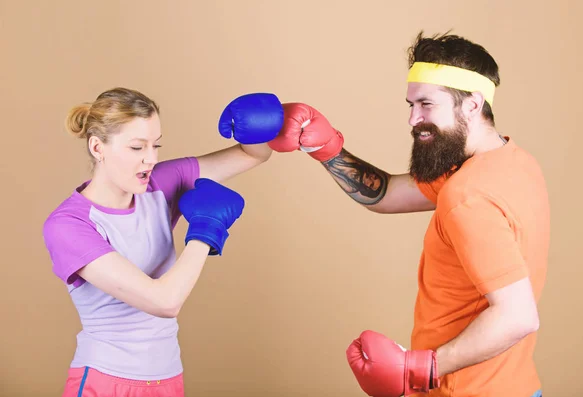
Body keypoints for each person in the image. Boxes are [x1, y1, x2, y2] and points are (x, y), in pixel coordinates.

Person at [268, 31, 549, 397]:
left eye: (427, 104)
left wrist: (417, 370)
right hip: (516, 386)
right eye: (411, 105)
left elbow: (518, 315)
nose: (413, 119)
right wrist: (326, 147)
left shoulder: (467, 195)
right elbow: (384, 193)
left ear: (472, 105)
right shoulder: (511, 162)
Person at [42, 87, 284, 397]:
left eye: (155, 145)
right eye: (136, 147)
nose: (151, 159)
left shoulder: (159, 184)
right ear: (97, 147)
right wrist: (206, 230)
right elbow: (164, 302)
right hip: (106, 381)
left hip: (168, 379)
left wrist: (260, 126)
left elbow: (254, 154)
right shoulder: (68, 225)